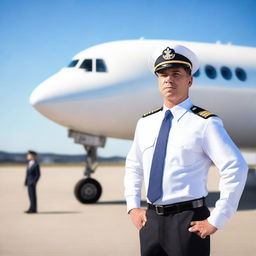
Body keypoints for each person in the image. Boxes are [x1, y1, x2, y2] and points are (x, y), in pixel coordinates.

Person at [124, 45, 248, 256]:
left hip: (187, 221)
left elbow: (235, 167)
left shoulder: (205, 123)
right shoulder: (145, 123)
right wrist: (133, 205)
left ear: (189, 80)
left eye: (176, 74)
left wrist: (217, 219)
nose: (168, 80)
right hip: (151, 221)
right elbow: (134, 166)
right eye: (163, 75)